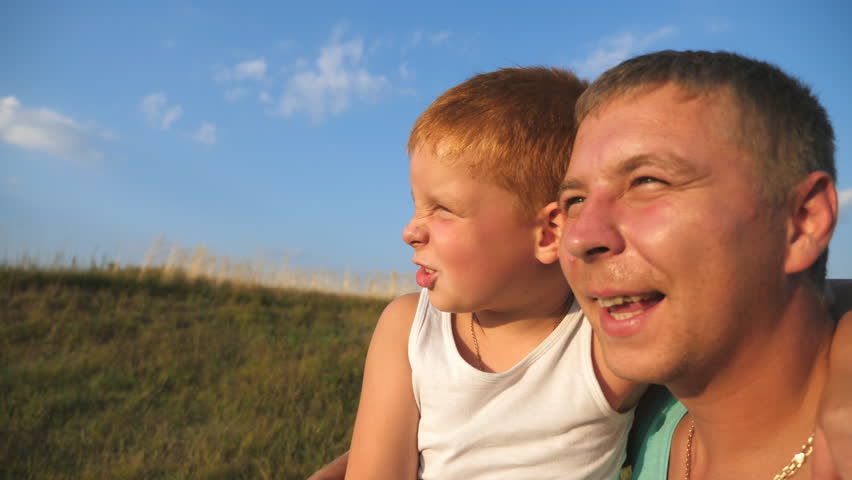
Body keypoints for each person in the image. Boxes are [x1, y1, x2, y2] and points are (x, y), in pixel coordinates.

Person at [556, 49, 847, 479]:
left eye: (647, 181)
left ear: (802, 220)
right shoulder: (630, 425)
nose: (580, 237)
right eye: (575, 200)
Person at [344, 67, 644, 480]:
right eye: (416, 205)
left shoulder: (598, 341)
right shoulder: (409, 331)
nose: (410, 231)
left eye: (442, 209)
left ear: (549, 233)